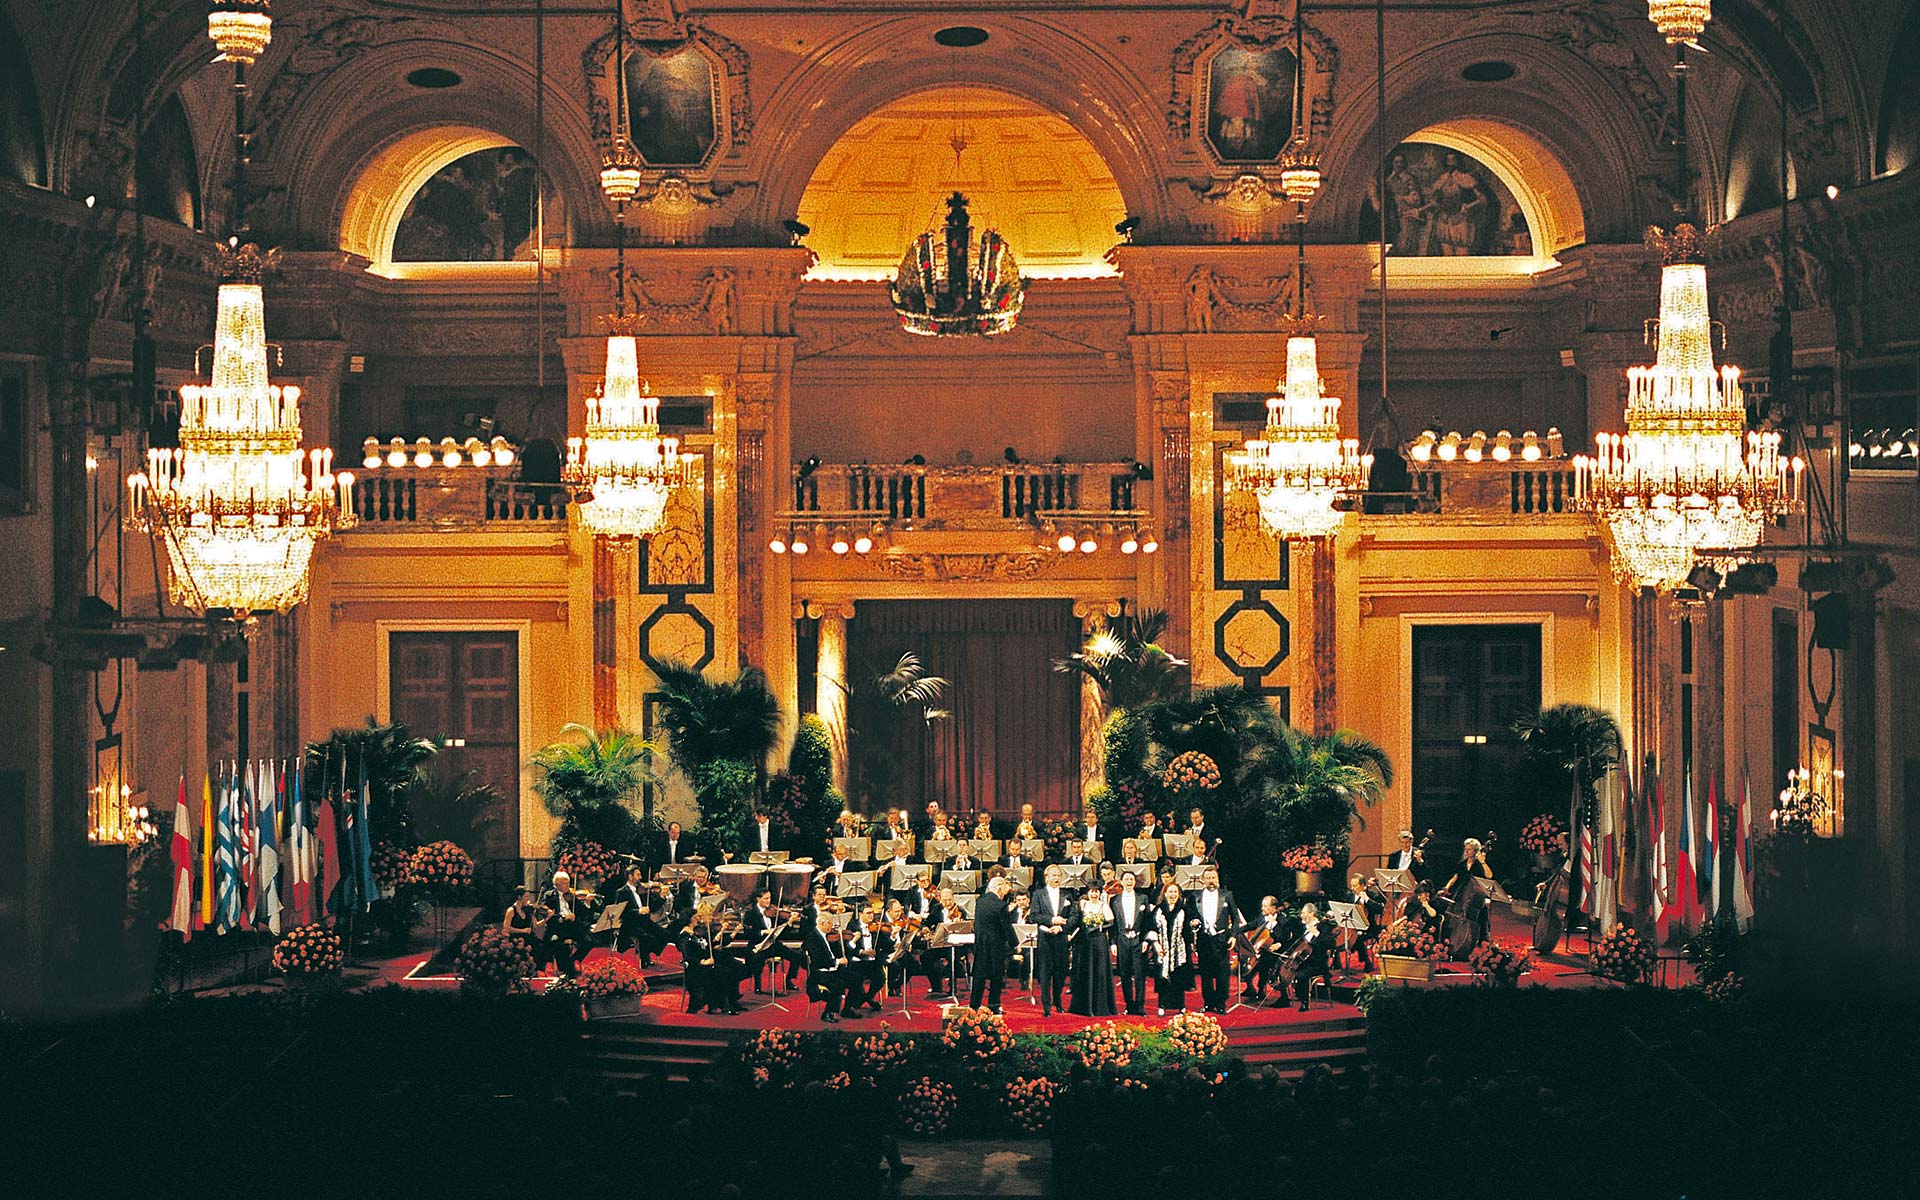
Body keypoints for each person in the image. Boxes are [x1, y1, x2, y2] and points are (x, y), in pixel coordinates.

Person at [1029, 864, 1077, 1016]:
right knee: (1045, 972)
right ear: (1047, 877)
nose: (1056, 878)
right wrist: (1052, 920)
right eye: (1053, 875)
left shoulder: (1067, 894)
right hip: (1045, 937)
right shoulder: (1038, 894)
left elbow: (1074, 916)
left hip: (1061, 937)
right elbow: (1034, 916)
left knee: (1061, 971)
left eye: (1058, 876)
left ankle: (1058, 1001)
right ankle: (1046, 1006)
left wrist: (1061, 927)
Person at [679, 909, 744, 1014]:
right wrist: (703, 962)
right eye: (696, 917)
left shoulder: (698, 932)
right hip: (695, 969)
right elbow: (688, 956)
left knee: (730, 968)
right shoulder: (685, 936)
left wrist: (723, 934)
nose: (699, 918)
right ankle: (724, 1005)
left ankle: (724, 1003)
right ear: (691, 919)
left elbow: (710, 945)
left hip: (705, 966)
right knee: (724, 972)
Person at [1191, 865, 1238, 1013]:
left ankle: (1221, 1004)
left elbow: (1235, 918)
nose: (1211, 880)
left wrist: (1233, 936)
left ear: (1217, 879)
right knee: (1205, 973)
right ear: (1203, 879)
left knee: (1222, 973)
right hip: (1204, 939)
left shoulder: (1227, 894)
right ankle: (1208, 1003)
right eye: (1208, 878)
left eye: (1213, 878)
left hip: (1222, 939)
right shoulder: (1195, 896)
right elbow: (1191, 917)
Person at [969, 874, 1016, 1013]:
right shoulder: (1001, 905)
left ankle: (974, 1005)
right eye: (1004, 889)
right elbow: (1006, 927)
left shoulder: (980, 901)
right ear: (999, 887)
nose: (1005, 892)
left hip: (980, 943)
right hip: (996, 944)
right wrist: (1015, 945)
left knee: (979, 975)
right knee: (996, 975)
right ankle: (994, 1005)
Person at [742, 888, 803, 995]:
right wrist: (764, 932)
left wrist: (790, 922)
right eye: (765, 899)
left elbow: (783, 933)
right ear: (758, 899)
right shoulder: (750, 913)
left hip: (773, 945)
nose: (768, 901)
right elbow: (748, 934)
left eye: (769, 898)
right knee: (757, 958)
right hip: (758, 946)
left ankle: (788, 981)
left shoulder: (773, 912)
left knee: (797, 956)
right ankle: (758, 985)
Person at [1111, 868, 1152, 1015]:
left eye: (1131, 879)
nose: (1129, 882)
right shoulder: (1114, 900)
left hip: (1138, 940)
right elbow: (1113, 924)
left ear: (1135, 882)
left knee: (1140, 974)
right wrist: (1113, 942)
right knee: (1124, 974)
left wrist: (1147, 939)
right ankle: (1129, 1005)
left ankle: (1140, 1006)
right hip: (1122, 940)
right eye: (1126, 879)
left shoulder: (1143, 898)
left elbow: (1148, 921)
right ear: (1121, 882)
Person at [1069, 887, 1116, 1017]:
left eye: (1096, 892)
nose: (1094, 894)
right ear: (1088, 893)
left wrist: (1099, 927)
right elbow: (1078, 922)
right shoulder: (1083, 905)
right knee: (1085, 971)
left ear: (1100, 893)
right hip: (1085, 942)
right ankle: (1083, 1006)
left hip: (1099, 942)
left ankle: (1099, 1006)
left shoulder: (1104, 906)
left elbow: (1111, 922)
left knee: (1099, 970)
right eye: (1091, 891)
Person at [1150, 881, 1195, 1016]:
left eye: (1175, 892)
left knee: (1179, 977)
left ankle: (1180, 1006)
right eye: (1170, 891)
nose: (1173, 894)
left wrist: (1194, 925)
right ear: (1165, 893)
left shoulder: (1185, 909)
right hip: (1162, 949)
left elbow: (1191, 925)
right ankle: (1162, 1005)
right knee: (1162, 978)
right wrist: (1156, 944)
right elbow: (1151, 928)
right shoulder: (1158, 909)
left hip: (1179, 950)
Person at [802, 912, 857, 1023]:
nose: (832, 926)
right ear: (822, 923)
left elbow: (833, 953)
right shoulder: (812, 938)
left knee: (857, 978)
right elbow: (819, 960)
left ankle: (847, 1008)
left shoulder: (826, 936)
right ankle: (827, 1012)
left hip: (832, 969)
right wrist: (837, 961)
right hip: (820, 973)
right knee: (838, 984)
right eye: (830, 923)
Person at [538, 870, 594, 977]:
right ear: (557, 884)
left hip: (572, 927)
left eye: (568, 883)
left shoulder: (571, 896)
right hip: (557, 927)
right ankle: (567, 970)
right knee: (555, 942)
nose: (568, 886)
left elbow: (582, 912)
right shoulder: (549, 895)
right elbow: (544, 911)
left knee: (589, 941)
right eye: (565, 883)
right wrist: (563, 918)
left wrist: (587, 902)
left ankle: (573, 960)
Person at [1242, 894, 1290, 1001]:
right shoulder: (1261, 918)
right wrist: (1236, 930)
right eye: (1262, 906)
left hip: (1276, 953)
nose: (1262, 908)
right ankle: (1251, 987)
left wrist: (1278, 944)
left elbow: (1287, 939)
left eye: (1265, 906)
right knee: (1245, 961)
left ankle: (1263, 991)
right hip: (1262, 951)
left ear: (1273, 908)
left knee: (1262, 963)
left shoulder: (1283, 921)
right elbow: (1250, 926)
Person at [1292, 905, 1339, 1012]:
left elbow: (1331, 944)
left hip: (1318, 963)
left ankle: (1305, 1002)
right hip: (1304, 961)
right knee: (1291, 970)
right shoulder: (1304, 928)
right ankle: (1293, 997)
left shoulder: (1324, 927)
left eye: (1304, 913)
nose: (1301, 916)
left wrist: (1317, 934)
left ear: (1311, 914)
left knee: (1301, 975)